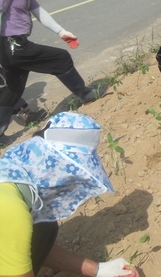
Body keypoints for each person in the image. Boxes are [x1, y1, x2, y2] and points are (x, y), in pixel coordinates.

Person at [0, 112, 139, 277]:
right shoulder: (10, 211)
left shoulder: (10, 173)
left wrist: (98, 270)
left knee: (44, 227)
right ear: (54, 167)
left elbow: (23, 246)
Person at [0, 0, 108, 141]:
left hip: (12, 45)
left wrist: (61, 31)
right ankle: (85, 94)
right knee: (60, 59)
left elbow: (36, 9)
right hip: (12, 44)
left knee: (13, 89)